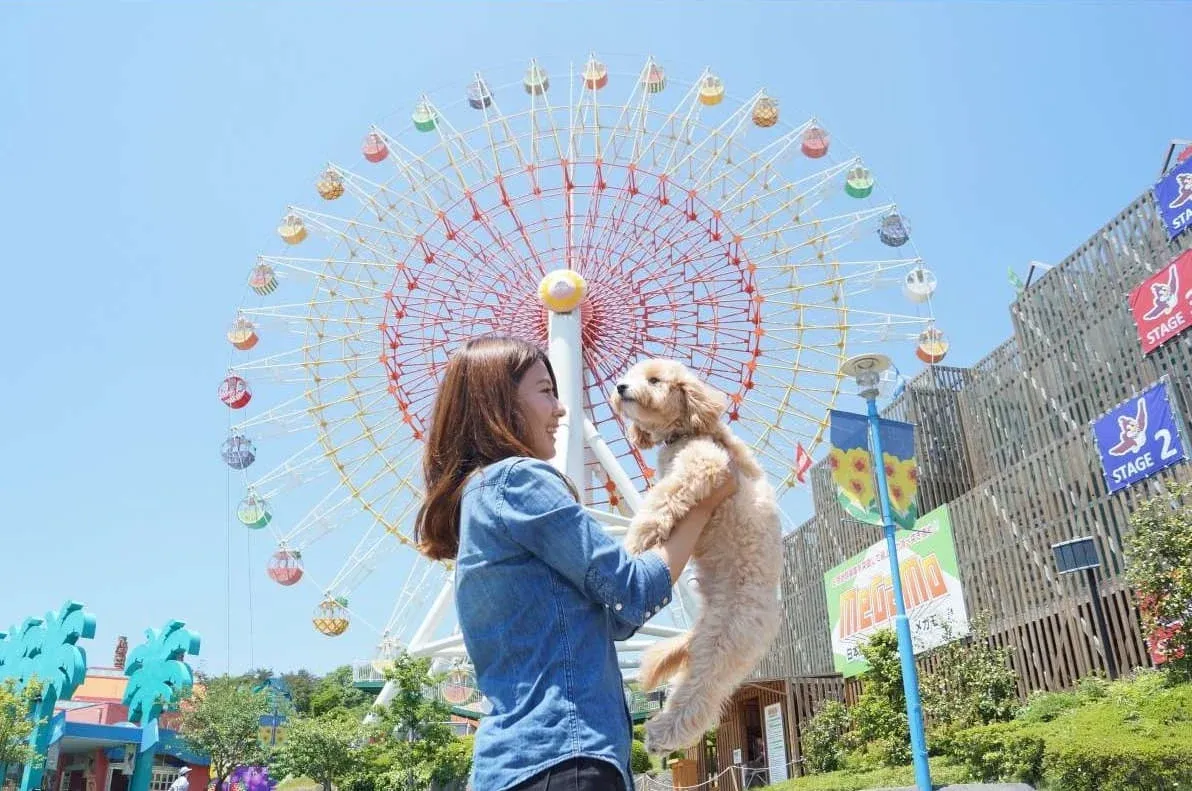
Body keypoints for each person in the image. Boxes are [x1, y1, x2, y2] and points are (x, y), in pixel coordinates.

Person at [416, 336, 736, 791]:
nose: (561, 410)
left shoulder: (479, 496)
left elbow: (616, 616)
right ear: (498, 404)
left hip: (514, 764)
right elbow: (633, 591)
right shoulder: (517, 480)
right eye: (546, 391)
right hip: (565, 759)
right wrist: (707, 498)